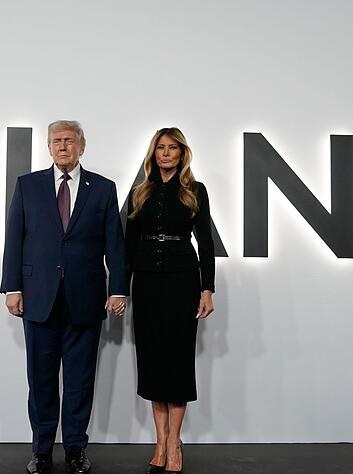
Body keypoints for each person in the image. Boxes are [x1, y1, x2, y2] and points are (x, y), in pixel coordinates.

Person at [1, 120, 128, 474]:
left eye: (69, 140)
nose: (62, 146)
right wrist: (12, 287)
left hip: (85, 298)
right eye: (56, 141)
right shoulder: (27, 185)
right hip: (38, 298)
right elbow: (14, 238)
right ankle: (41, 451)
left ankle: (75, 449)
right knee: (41, 381)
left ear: (81, 147)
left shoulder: (103, 188)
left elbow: (114, 243)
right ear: (48, 146)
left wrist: (118, 288)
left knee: (79, 381)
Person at [125, 127, 215, 474]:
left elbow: (206, 242)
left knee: (177, 361)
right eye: (160, 147)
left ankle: (174, 442)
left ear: (182, 153)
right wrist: (120, 287)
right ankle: (159, 441)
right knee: (152, 361)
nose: (165, 153)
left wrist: (207, 289)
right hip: (147, 281)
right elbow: (129, 243)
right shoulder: (140, 192)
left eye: (172, 148)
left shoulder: (195, 190)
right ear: (154, 153)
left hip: (182, 281)